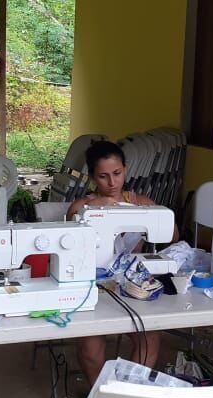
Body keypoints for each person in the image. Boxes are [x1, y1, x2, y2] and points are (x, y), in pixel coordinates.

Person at [66, 140, 179, 384]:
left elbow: (174, 235)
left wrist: (151, 216)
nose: (112, 182)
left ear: (125, 170)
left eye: (117, 174)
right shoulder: (82, 207)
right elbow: (70, 243)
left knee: (149, 338)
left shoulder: (142, 203)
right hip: (92, 287)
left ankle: (128, 393)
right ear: (92, 177)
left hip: (133, 287)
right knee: (91, 348)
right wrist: (94, 207)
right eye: (103, 176)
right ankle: (99, 397)